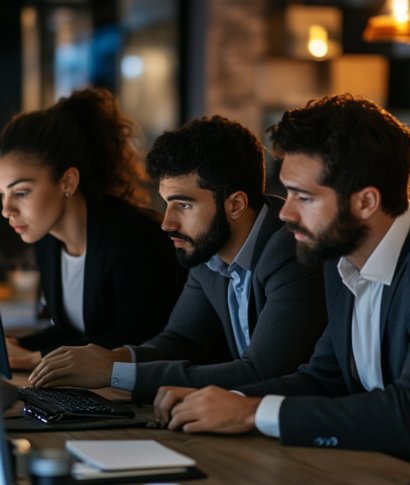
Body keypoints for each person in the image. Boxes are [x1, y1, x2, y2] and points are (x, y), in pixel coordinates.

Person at [151, 95, 410, 459]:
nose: (285, 213)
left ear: (366, 202)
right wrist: (228, 401)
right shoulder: (341, 265)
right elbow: (322, 378)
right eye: (287, 192)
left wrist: (253, 413)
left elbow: (404, 412)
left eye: (303, 197)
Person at [28, 115, 328, 401]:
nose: (166, 223)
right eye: (167, 203)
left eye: (183, 205)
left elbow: (260, 371)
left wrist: (113, 373)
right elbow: (181, 342)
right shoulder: (207, 250)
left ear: (236, 204)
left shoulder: (290, 249)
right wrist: (113, 357)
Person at [0, 88, 182, 370]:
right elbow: (75, 331)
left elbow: (140, 337)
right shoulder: (47, 240)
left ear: (68, 182)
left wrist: (39, 356)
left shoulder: (135, 236)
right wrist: (22, 346)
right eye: (2, 195)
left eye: (21, 193)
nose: (6, 210)